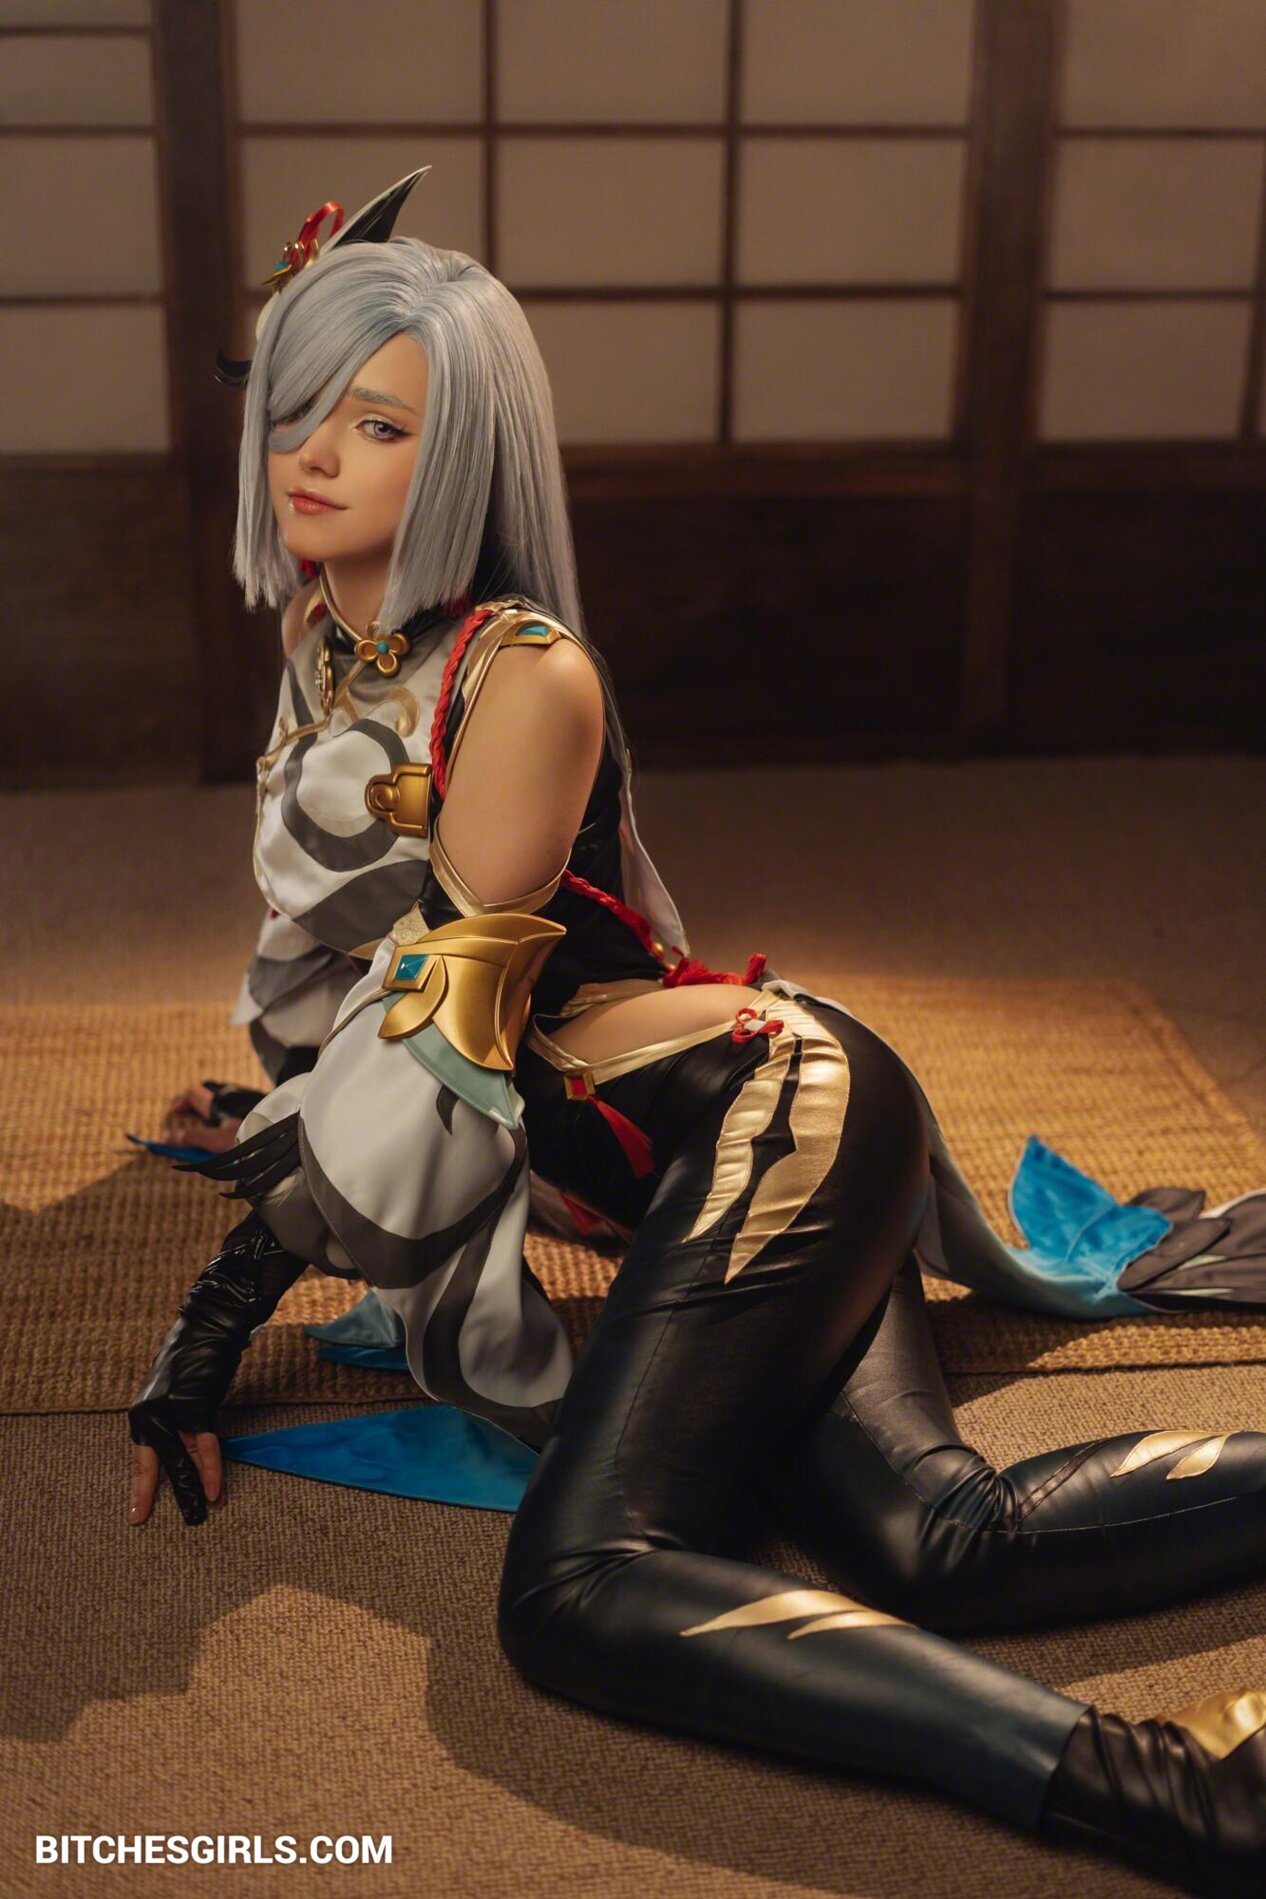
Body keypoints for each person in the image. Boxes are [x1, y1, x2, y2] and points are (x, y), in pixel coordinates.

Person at [127, 173, 1266, 1896]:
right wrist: (269, 1107)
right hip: (678, 1154)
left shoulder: (525, 678)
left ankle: (1185, 1801)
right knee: (936, 1540)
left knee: (578, 1587)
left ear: (467, 455)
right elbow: (335, 974)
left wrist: (203, 1345)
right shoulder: (325, 634)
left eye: (379, 424)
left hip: (777, 1111)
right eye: (298, 406)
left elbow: (427, 1057)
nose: (313, 455)